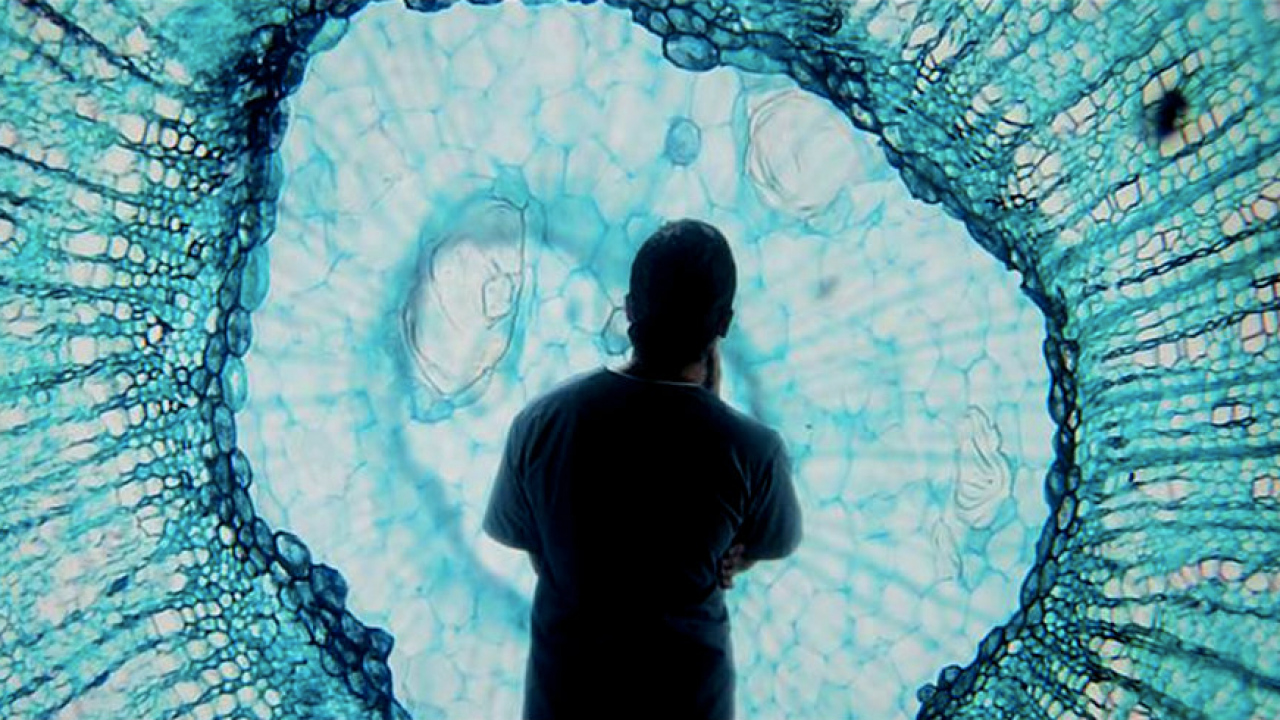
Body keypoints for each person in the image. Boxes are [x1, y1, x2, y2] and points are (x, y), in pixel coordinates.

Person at [483, 218, 803, 720]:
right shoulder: (752, 449)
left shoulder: (543, 422)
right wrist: (731, 552)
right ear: (724, 323)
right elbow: (776, 538)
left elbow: (529, 541)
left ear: (630, 308)